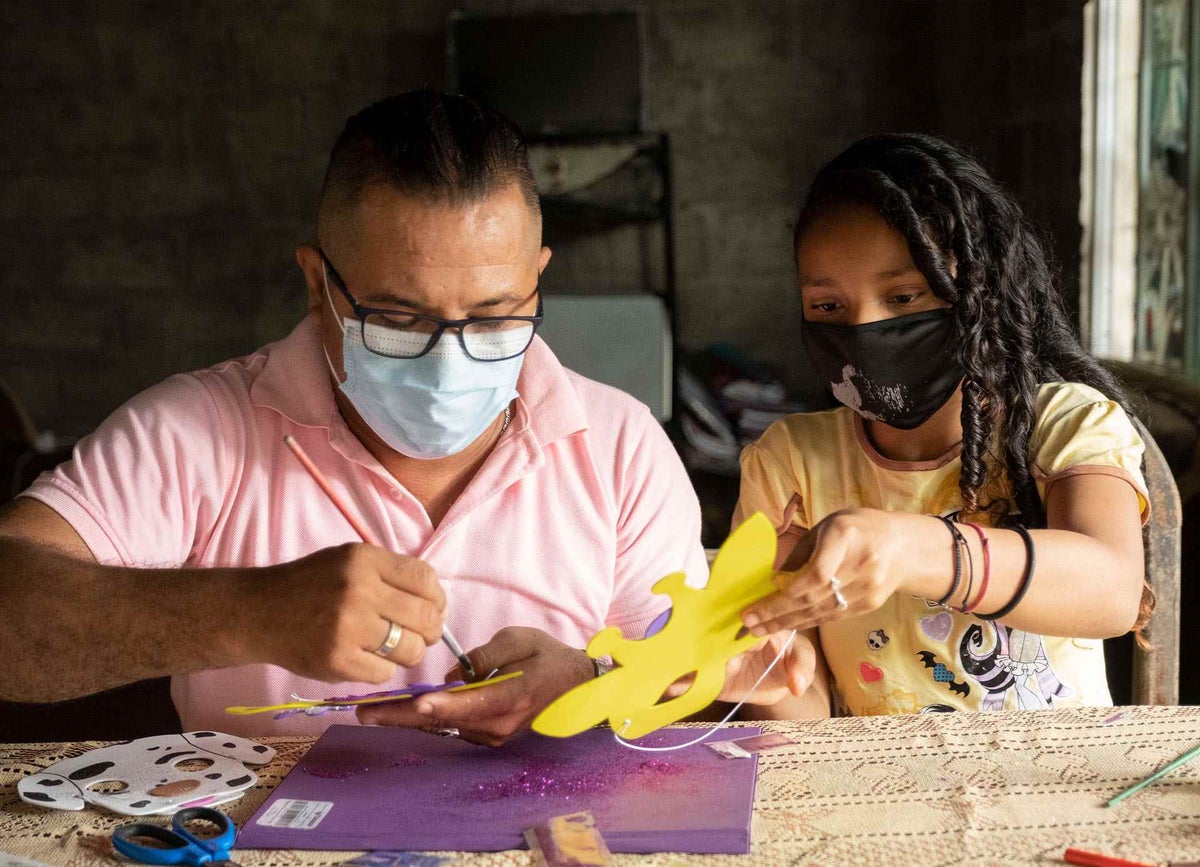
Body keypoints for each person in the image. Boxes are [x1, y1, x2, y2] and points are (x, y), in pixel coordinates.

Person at [0, 91, 811, 744]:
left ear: (538, 281)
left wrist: (592, 686)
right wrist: (247, 612)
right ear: (318, 286)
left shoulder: (620, 446)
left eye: (495, 316)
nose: (450, 360)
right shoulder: (199, 432)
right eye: (398, 318)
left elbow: (701, 713)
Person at [734, 133, 1150, 718]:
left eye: (903, 296)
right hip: (889, 794)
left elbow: (1110, 592)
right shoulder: (790, 463)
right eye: (828, 308)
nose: (864, 329)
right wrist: (767, 682)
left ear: (979, 294)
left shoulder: (1068, 423)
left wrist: (912, 549)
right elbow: (798, 692)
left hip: (1054, 786)